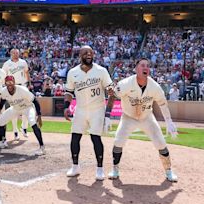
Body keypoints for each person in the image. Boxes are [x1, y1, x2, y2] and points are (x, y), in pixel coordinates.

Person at [106, 58, 178, 182]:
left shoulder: (154, 86)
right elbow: (113, 97)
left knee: (161, 143)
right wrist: (107, 115)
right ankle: (115, 169)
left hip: (147, 117)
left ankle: (168, 171)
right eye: (142, 65)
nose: (145, 68)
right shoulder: (125, 84)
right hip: (128, 117)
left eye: (147, 66)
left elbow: (162, 103)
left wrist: (169, 121)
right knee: (118, 141)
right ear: (136, 68)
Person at [64, 45, 114, 181]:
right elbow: (69, 92)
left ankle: (100, 169)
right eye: (85, 52)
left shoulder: (101, 71)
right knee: (75, 137)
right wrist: (66, 106)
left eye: (91, 52)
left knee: (95, 138)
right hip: (80, 109)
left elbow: (111, 92)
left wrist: (108, 114)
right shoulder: (72, 72)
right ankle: (75, 167)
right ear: (80, 55)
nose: (88, 54)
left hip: (97, 109)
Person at [0, 75, 45, 155]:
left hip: (28, 107)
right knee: (0, 121)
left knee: (32, 122)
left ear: (14, 82)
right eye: (7, 82)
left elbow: (35, 101)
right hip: (15, 108)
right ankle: (2, 142)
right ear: (5, 83)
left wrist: (39, 116)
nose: (9, 84)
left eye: (11, 82)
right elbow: (3, 100)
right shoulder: (4, 91)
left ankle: (42, 147)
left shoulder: (22, 90)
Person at [2, 48, 31, 140]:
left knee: (27, 108)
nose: (15, 54)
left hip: (23, 86)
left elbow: (27, 73)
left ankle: (24, 127)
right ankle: (15, 131)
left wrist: (29, 84)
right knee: (14, 111)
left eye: (17, 53)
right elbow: (3, 76)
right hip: (12, 88)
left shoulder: (23, 62)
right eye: (14, 53)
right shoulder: (6, 64)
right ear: (11, 53)